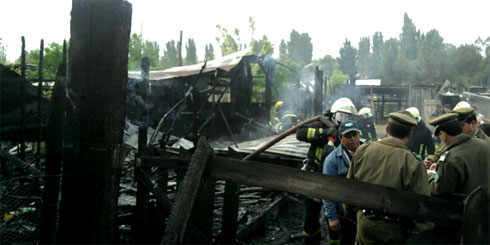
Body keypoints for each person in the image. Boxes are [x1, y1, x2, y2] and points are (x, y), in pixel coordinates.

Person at [344, 111, 431, 244]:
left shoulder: (363, 150)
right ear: (410, 133)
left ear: (386, 129)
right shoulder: (412, 162)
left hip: (364, 224)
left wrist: (352, 216)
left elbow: (349, 190)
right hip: (393, 230)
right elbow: (421, 206)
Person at [296, 97, 357, 244]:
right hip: (314, 180)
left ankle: (334, 241)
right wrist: (324, 133)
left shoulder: (346, 131)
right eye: (342, 116)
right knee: (311, 218)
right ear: (334, 114)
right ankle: (311, 241)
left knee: (335, 219)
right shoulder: (321, 123)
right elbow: (300, 133)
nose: (344, 120)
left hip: (334, 182)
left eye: (348, 117)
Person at [426, 113, 490, 243]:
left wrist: (429, 177)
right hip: (486, 213)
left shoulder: (452, 158)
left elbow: (441, 190)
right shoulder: (484, 145)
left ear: (443, 135)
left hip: (463, 219)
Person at [322, 121, 360, 244]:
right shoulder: (332, 160)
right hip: (345, 215)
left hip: (364, 213)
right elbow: (328, 190)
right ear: (340, 138)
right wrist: (332, 218)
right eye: (348, 136)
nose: (353, 139)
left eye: (355, 135)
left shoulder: (368, 154)